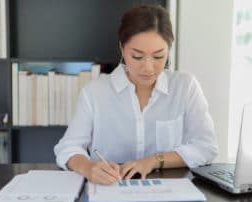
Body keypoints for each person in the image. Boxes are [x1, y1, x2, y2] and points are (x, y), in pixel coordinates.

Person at [54, 5, 218, 185]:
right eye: (137, 57)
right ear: (122, 49)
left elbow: (206, 147)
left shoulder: (185, 87)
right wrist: (89, 167)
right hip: (109, 189)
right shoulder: (94, 92)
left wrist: (154, 160)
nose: (148, 68)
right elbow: (67, 147)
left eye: (158, 57)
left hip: (166, 193)